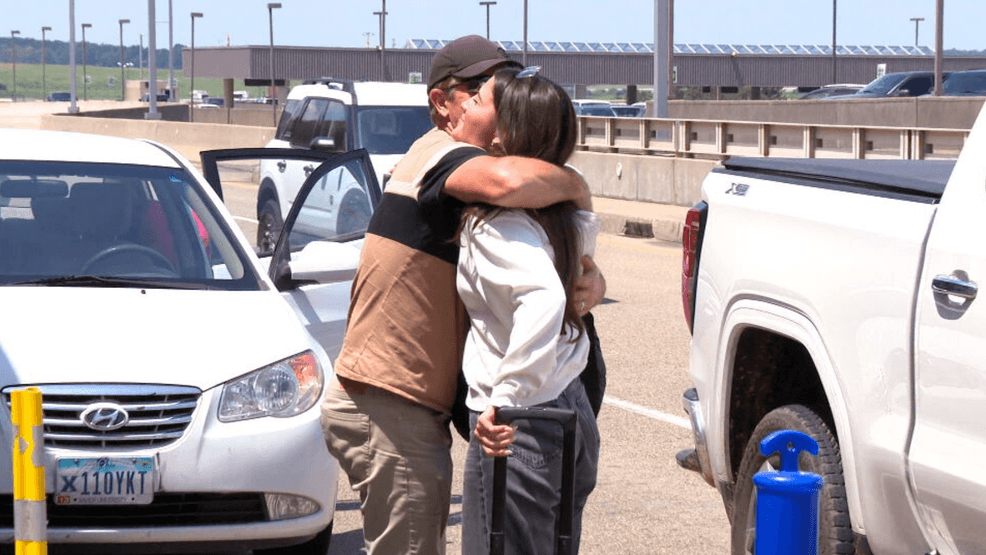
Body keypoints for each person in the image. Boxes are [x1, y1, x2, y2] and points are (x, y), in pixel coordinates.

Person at [320, 36, 606, 555]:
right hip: (390, 402)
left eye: (499, 90)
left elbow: (545, 265)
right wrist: (577, 185)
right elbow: (505, 183)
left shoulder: (505, 199)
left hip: (416, 401)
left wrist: (590, 276)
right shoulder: (441, 154)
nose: (489, 100)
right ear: (443, 105)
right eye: (478, 90)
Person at [452, 66, 600, 555]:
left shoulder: (500, 225)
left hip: (520, 421)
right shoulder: (562, 209)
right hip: (568, 402)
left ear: (508, 134)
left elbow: (545, 298)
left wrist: (506, 400)